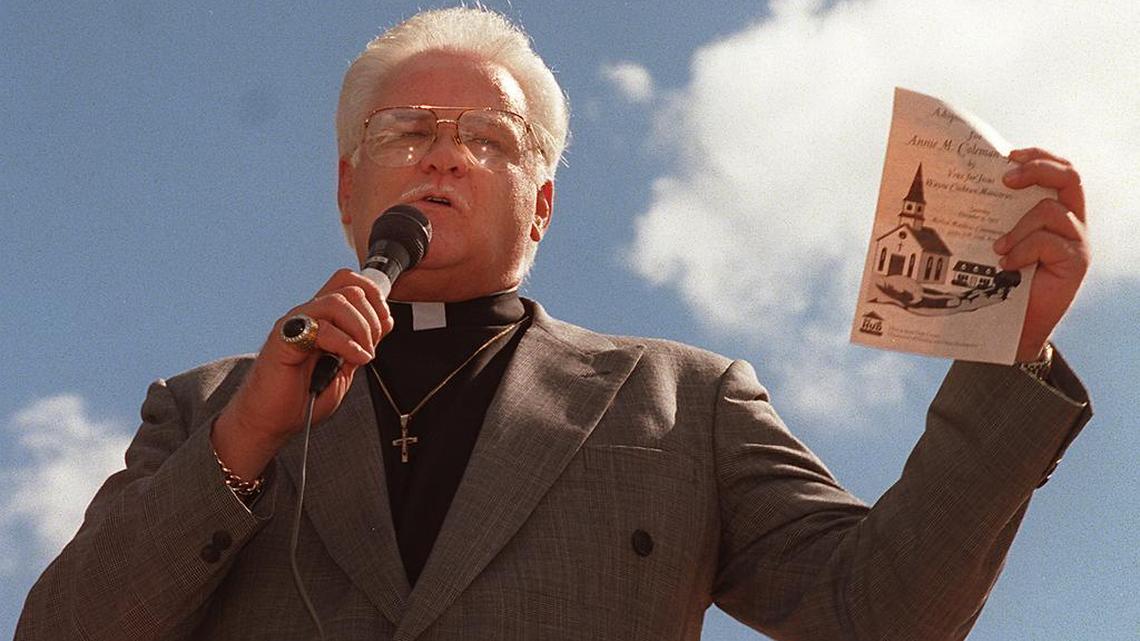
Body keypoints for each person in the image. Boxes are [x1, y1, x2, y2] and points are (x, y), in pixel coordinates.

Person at [16, 7, 1092, 641]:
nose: (445, 154)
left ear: (541, 202)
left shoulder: (685, 400)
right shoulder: (206, 406)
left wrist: (1011, 346)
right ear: (350, 188)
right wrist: (241, 446)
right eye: (409, 129)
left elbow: (881, 609)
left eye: (489, 136)